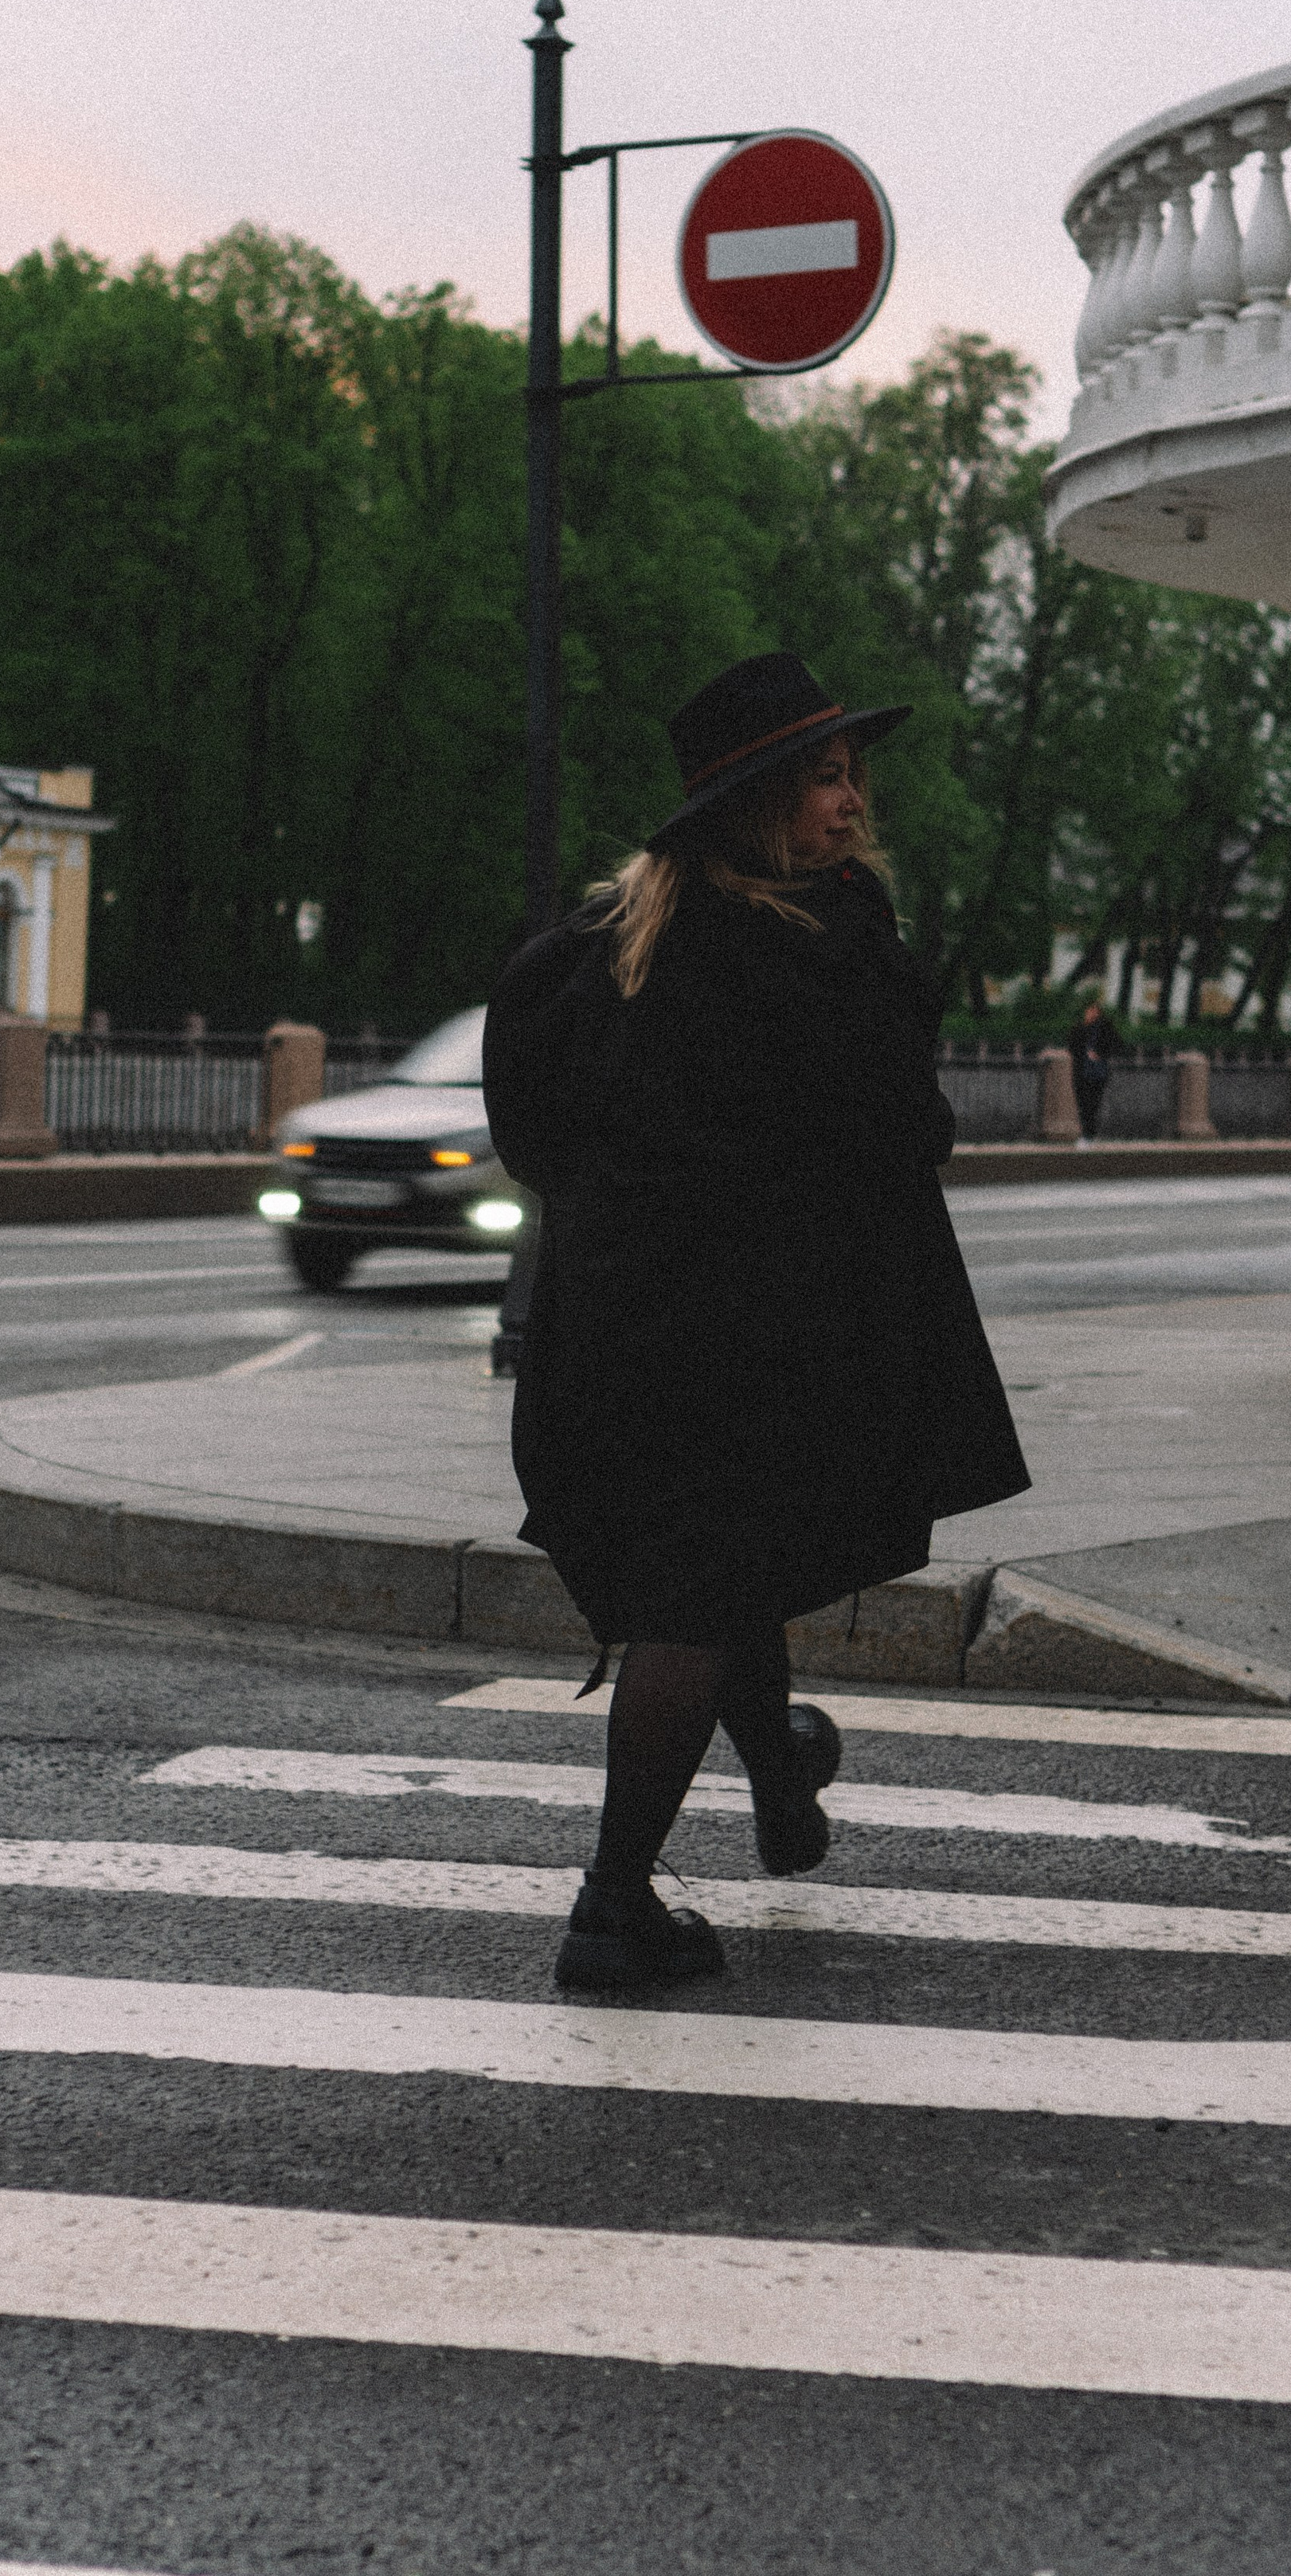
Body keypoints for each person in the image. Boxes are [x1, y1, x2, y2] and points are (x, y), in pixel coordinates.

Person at [483, 652, 1031, 1990]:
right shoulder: (810, 952)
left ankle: (782, 1783)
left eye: (853, 778)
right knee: (702, 1587)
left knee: (716, 1561)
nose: (853, 805)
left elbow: (528, 1122)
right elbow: (912, 1132)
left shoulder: (605, 942)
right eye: (828, 781)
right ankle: (613, 1906)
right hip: (752, 1333)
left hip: (614, 1323)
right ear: (760, 808)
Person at [1067, 996, 1121, 1142]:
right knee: (1082, 1103)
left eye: (1094, 1010)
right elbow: (1071, 1046)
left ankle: (1088, 1134)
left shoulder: (1105, 1027)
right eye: (1089, 1010)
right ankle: (1086, 1133)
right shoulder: (1079, 1028)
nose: (1091, 1013)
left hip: (1098, 1072)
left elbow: (1117, 1045)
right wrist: (1084, 1053)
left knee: (1093, 1103)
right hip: (1081, 1071)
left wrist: (1100, 1054)